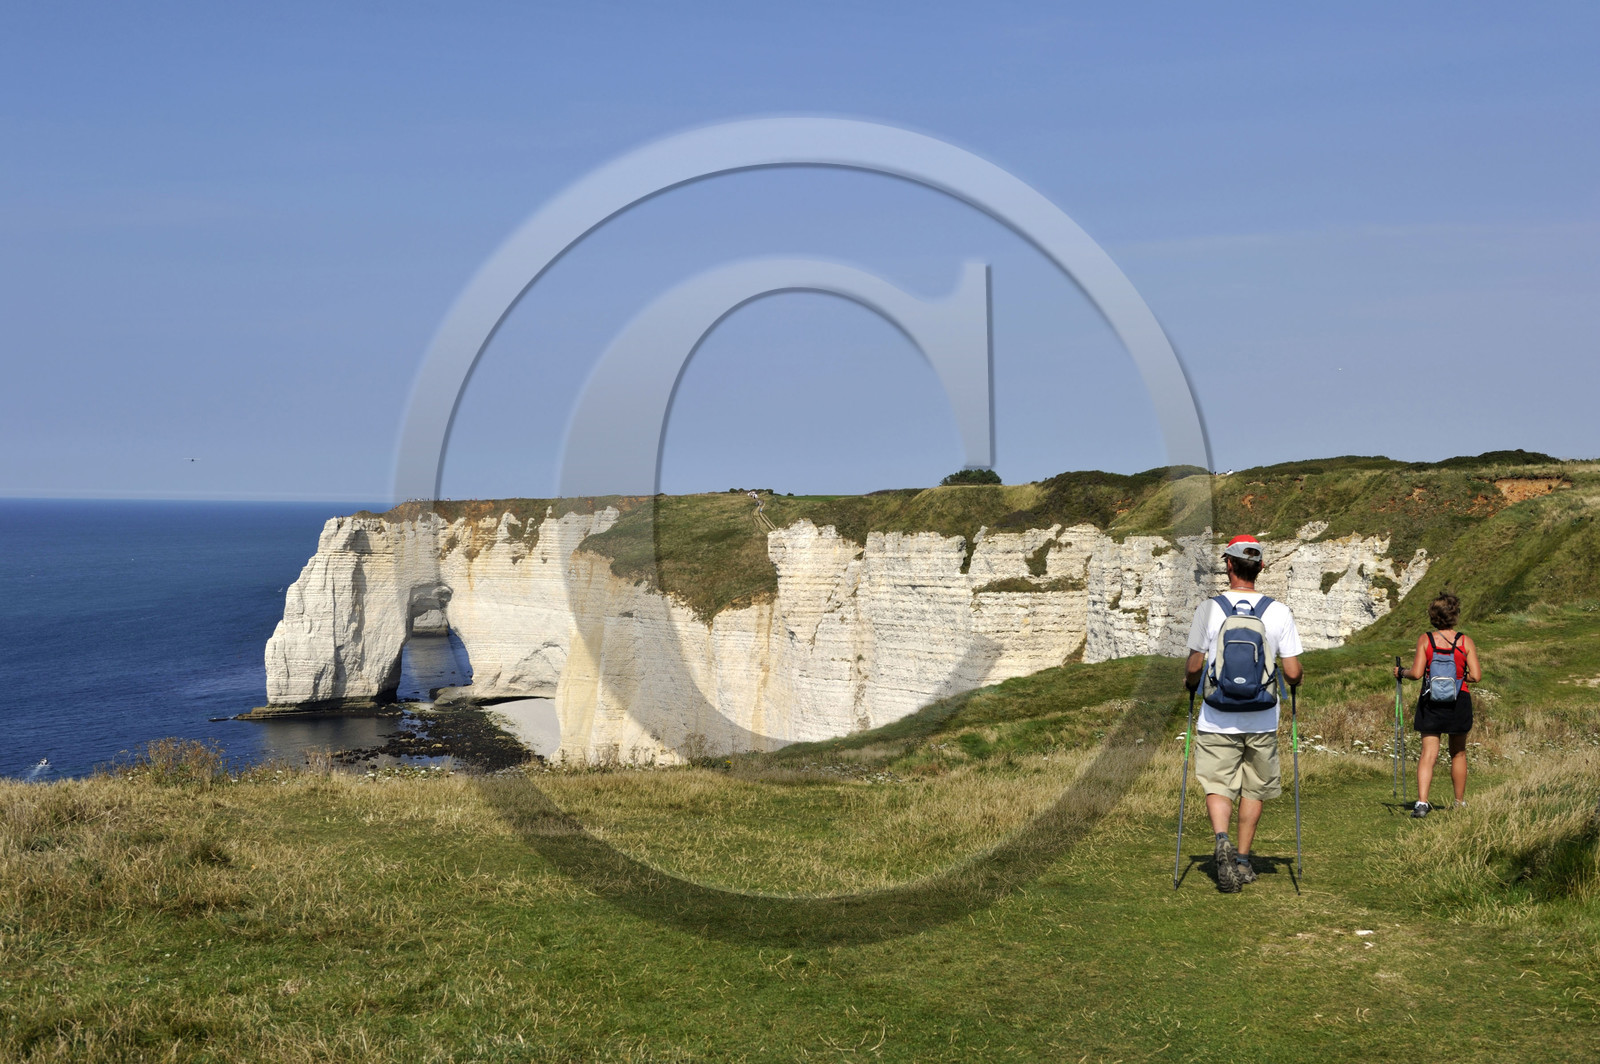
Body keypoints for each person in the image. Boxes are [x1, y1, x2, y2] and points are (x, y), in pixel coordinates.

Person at [1184, 534, 1305, 892]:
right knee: (1255, 786)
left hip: (1217, 714)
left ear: (1229, 565)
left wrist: (1191, 684)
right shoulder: (1279, 612)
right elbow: (1294, 672)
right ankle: (1241, 858)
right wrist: (1294, 682)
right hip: (1263, 716)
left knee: (1218, 783)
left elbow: (1194, 664)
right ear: (1261, 568)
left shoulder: (1209, 609)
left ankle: (1221, 839)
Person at [1394, 591, 1481, 818]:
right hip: (1458, 699)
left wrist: (1400, 672)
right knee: (1458, 753)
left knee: (1428, 754)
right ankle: (1459, 803)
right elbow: (1477, 676)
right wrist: (1460, 679)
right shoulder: (1465, 641)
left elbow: (1416, 673)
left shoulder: (1426, 640)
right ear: (1455, 615)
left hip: (1430, 700)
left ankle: (1422, 803)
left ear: (1433, 616)